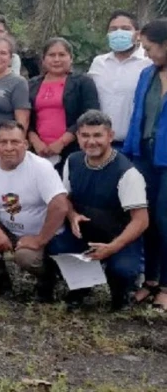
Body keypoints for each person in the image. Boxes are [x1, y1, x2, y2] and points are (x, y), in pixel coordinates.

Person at [49, 110, 147, 310]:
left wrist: (113, 247)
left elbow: (141, 220)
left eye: (97, 135)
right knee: (55, 246)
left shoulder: (128, 173)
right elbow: (65, 198)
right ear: (77, 137)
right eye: (85, 136)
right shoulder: (73, 161)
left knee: (123, 269)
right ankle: (82, 287)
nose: (91, 142)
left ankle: (122, 293)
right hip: (85, 234)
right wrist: (72, 215)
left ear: (110, 136)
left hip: (118, 236)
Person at [0, 121, 70, 302]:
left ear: (25, 144)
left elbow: (60, 205)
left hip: (42, 236)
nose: (9, 147)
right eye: (3, 142)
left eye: (15, 142)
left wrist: (39, 240)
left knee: (25, 257)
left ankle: (48, 280)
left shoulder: (41, 167)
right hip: (10, 230)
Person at [123, 18, 167, 310]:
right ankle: (149, 281)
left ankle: (165, 285)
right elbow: (137, 115)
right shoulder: (146, 75)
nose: (147, 53)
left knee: (165, 221)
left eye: (150, 48)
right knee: (146, 218)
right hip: (143, 156)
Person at [28, 38, 100, 171]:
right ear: (43, 60)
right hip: (38, 152)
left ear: (71, 58)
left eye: (62, 55)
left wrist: (62, 142)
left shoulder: (83, 83)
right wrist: (36, 142)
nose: (56, 59)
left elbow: (91, 116)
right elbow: (25, 117)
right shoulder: (31, 84)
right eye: (51, 55)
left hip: (73, 150)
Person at [87, 11, 151, 150]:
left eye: (126, 28)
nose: (119, 32)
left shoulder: (149, 63)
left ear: (138, 34)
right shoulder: (98, 63)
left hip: (136, 147)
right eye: (113, 29)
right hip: (100, 145)